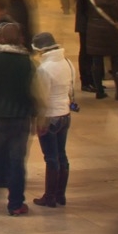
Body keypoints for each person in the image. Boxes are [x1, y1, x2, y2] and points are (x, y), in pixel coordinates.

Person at [0, 21, 39, 216]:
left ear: (0, 39)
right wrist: (40, 116)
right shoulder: (28, 63)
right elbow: (38, 93)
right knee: (17, 162)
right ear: (20, 40)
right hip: (20, 118)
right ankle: (15, 204)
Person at [32, 31, 75, 208]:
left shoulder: (44, 69)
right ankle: (60, 195)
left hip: (49, 117)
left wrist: (38, 120)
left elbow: (42, 97)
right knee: (62, 155)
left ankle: (49, 197)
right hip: (65, 114)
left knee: (51, 158)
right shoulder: (68, 62)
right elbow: (71, 89)